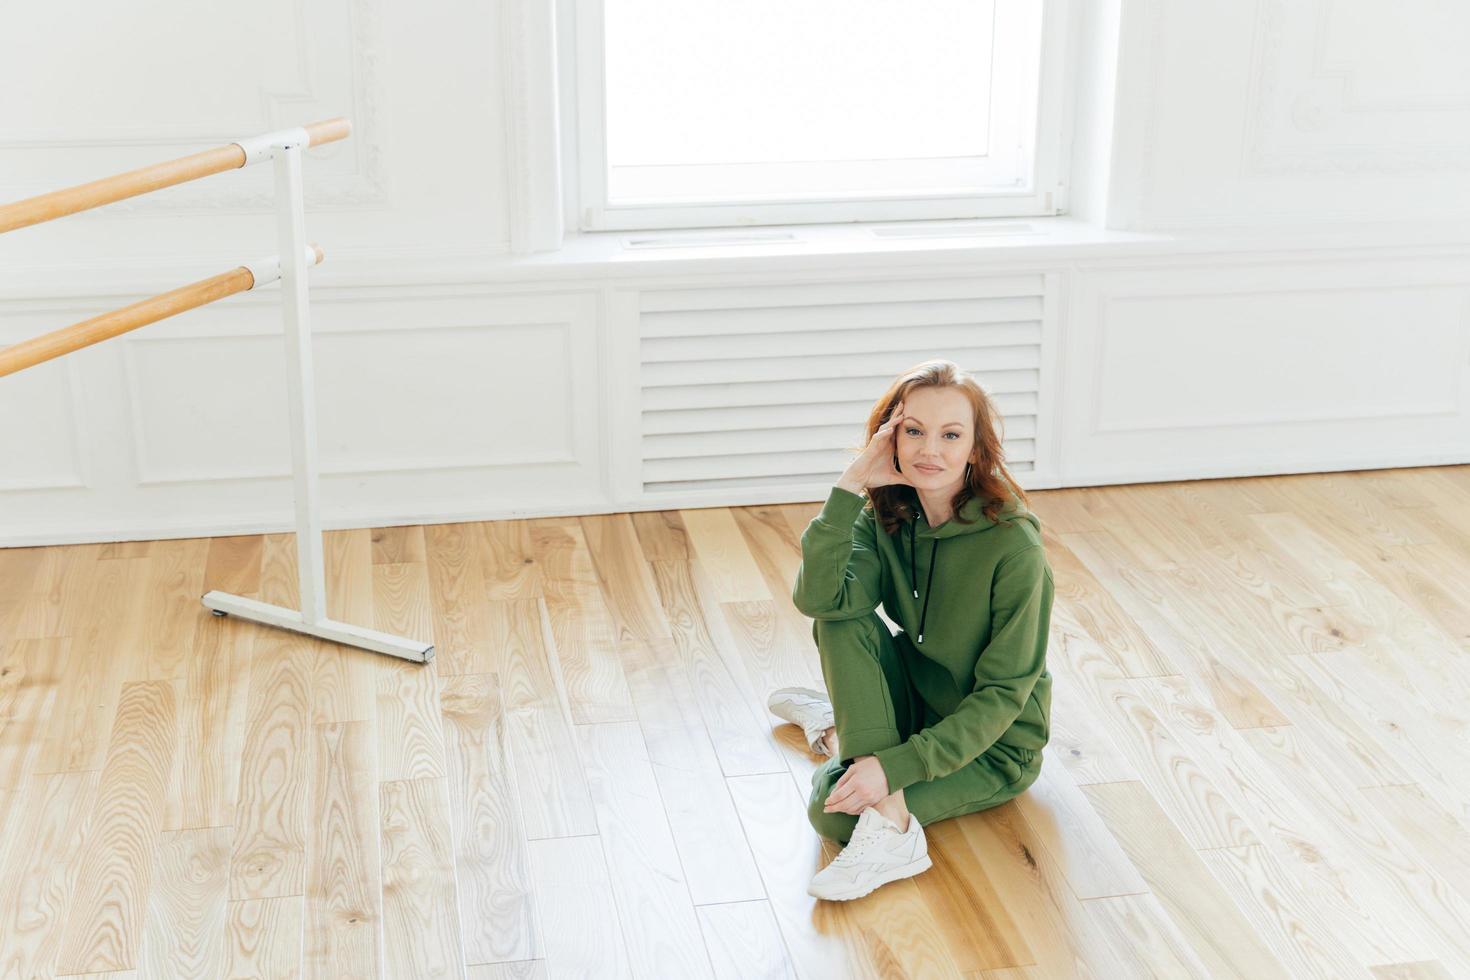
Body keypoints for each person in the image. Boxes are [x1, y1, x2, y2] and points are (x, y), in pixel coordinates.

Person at [768, 358, 1053, 902]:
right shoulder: (887, 512)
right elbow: (820, 598)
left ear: (975, 447)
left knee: (830, 813)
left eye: (951, 434)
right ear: (889, 438)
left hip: (993, 746)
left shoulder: (1015, 548)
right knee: (840, 617)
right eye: (913, 431)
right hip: (915, 703)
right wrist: (850, 486)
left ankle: (848, 751)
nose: (930, 450)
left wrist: (893, 767)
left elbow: (1003, 696)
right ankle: (850, 742)